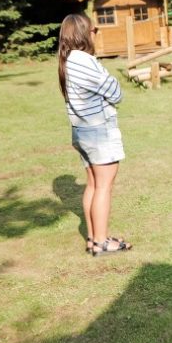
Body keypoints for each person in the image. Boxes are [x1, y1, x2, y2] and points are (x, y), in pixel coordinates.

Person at [58, 13, 131, 255]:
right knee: (104, 187)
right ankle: (101, 242)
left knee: (93, 184)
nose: (95, 34)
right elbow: (115, 91)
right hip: (98, 131)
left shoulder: (68, 60)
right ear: (83, 34)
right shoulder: (84, 60)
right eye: (94, 30)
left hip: (82, 130)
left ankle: (93, 239)